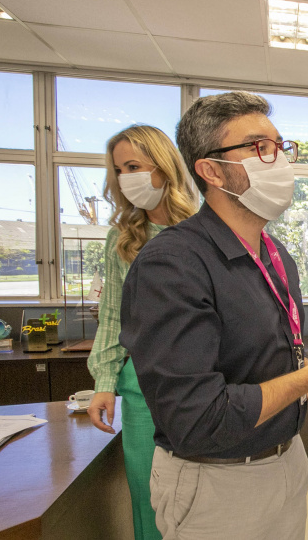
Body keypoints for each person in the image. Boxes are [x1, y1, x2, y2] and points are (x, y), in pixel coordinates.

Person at [119, 91, 308, 540]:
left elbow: (265, 363)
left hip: (286, 463)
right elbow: (199, 418)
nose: (278, 159)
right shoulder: (172, 264)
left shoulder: (275, 254)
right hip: (215, 484)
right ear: (210, 169)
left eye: (280, 146)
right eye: (259, 146)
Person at [87, 124, 199, 540]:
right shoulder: (123, 240)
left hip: (201, 384)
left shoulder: (207, 229)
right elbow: (114, 317)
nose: (124, 177)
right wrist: (104, 383)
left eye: (134, 165)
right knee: (148, 497)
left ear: (165, 166)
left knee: (199, 500)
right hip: (142, 392)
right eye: (119, 170)